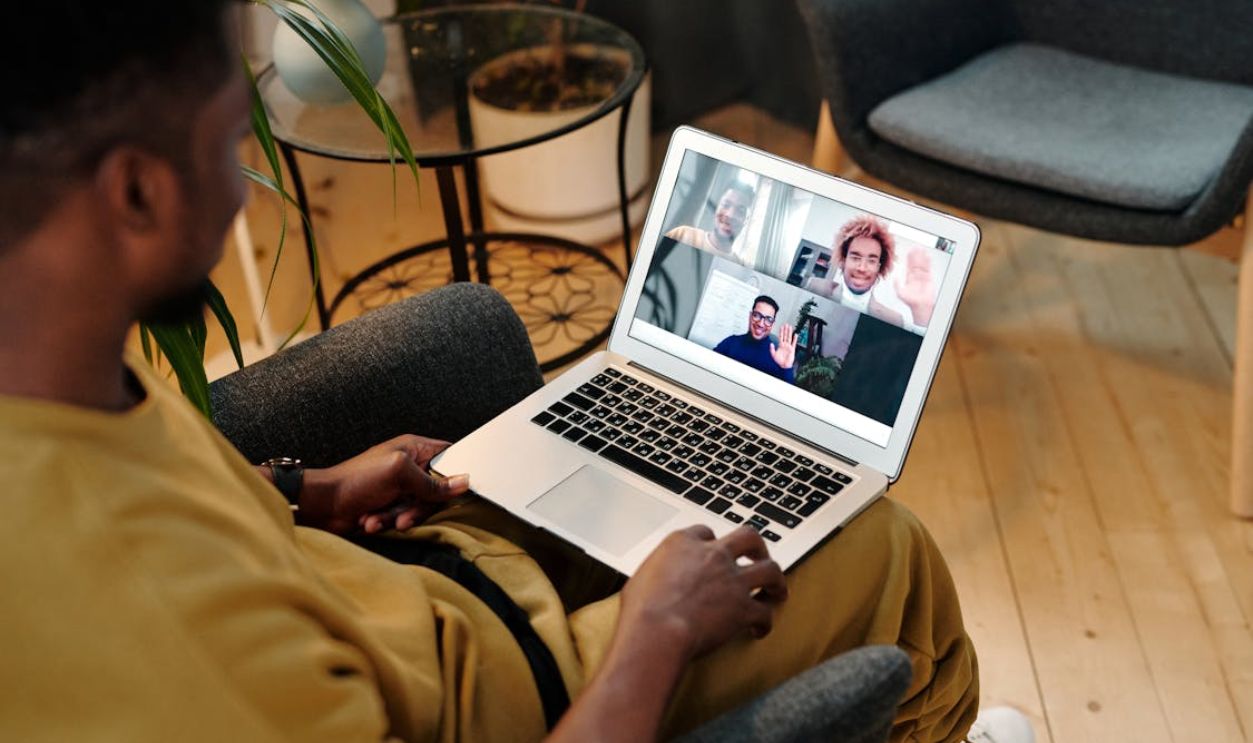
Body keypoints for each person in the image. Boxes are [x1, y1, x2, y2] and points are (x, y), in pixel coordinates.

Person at [0, 3, 1035, 741]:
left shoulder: (56, 380)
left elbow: (171, 496)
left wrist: (305, 494)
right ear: (133, 192)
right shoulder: (167, 647)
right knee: (888, 553)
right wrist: (654, 635)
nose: (243, 190)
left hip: (405, 580)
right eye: (230, 144)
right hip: (526, 684)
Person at [805, 214, 936, 331]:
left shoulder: (894, 320)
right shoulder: (815, 287)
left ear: (879, 267)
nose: (862, 268)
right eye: (856, 258)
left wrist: (921, 311)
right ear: (844, 260)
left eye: (871, 261)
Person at [712, 295, 799, 383]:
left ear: (773, 324)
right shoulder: (730, 343)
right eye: (757, 315)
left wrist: (786, 368)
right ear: (750, 316)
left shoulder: (777, 357)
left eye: (768, 319)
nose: (761, 324)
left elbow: (784, 393)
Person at [665, 182, 754, 256]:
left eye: (740, 211)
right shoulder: (682, 235)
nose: (730, 215)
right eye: (726, 205)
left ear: (746, 221)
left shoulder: (741, 269)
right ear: (717, 208)